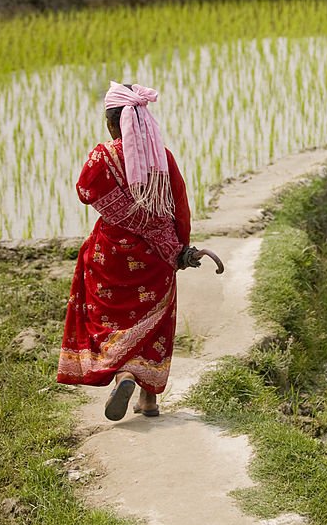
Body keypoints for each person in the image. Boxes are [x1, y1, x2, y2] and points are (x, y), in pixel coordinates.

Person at [57, 82, 224, 421]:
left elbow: (84, 191)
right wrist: (180, 248)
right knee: (155, 323)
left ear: (111, 124)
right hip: (155, 259)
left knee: (111, 319)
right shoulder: (162, 159)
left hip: (110, 257)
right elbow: (180, 205)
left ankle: (124, 374)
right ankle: (148, 401)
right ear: (144, 120)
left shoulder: (101, 157)